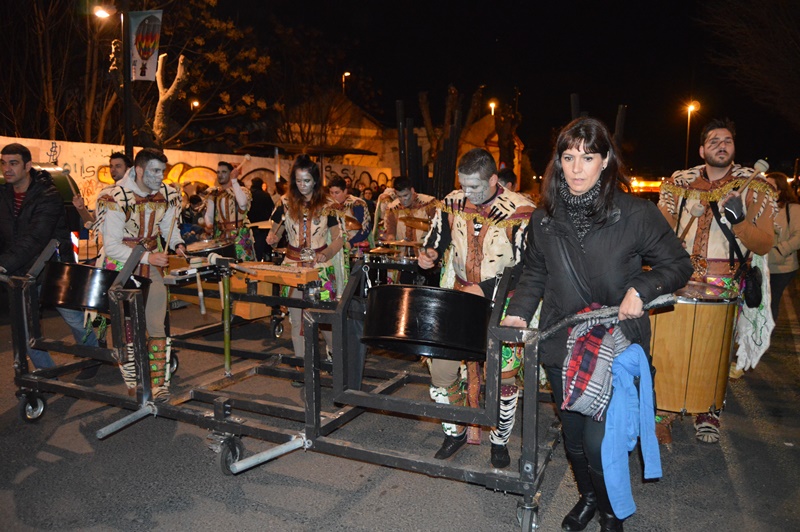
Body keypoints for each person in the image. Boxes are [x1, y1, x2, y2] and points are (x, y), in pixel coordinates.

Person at [501, 118, 692, 531]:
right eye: (568, 157)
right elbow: (534, 271)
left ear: (605, 161)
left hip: (615, 344)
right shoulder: (544, 218)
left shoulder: (636, 213)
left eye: (587, 157)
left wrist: (642, 288)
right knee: (572, 440)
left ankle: (609, 512)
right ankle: (588, 497)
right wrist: (518, 310)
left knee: (598, 442)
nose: (576, 168)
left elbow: (677, 264)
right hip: (561, 342)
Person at [658, 118, 776, 443]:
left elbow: (764, 243)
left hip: (725, 281)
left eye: (727, 140)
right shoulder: (680, 183)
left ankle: (708, 409)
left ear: (734, 147)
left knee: (714, 348)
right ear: (701, 149)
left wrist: (739, 222)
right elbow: (661, 229)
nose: (721, 145)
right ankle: (664, 411)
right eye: (714, 141)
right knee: (672, 344)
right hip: (681, 276)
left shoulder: (754, 186)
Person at [417, 148, 536, 468]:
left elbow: (529, 267)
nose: (466, 193)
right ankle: (453, 430)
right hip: (456, 296)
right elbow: (436, 239)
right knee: (440, 371)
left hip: (503, 303)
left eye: (475, 187)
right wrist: (427, 254)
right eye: (463, 185)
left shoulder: (521, 210)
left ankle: (500, 440)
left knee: (505, 377)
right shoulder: (452, 202)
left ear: (494, 179)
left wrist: (483, 289)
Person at [0, 142, 100, 373]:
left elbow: (36, 237)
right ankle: (47, 374)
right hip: (20, 271)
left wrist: (4, 264)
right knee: (24, 329)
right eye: (4, 163)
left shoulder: (48, 195)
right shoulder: (4, 196)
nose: (7, 168)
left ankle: (93, 356)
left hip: (52, 267)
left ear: (27, 166)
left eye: (13, 163)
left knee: (74, 319)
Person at [95, 148, 186, 400]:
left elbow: (169, 227)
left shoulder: (167, 195)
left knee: (157, 324)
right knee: (125, 327)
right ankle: (134, 382)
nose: (161, 176)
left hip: (151, 267)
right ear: (139, 170)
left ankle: (158, 385)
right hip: (120, 268)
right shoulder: (115, 198)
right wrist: (148, 256)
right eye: (155, 171)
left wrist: (177, 243)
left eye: (163, 171)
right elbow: (111, 246)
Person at [266, 155, 346, 362]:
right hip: (292, 266)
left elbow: (339, 239)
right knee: (296, 317)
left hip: (320, 267)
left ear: (316, 181)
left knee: (323, 316)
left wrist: (325, 253)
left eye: (307, 181)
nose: (302, 185)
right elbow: (274, 236)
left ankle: (334, 354)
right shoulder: (284, 202)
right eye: (298, 180)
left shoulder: (328, 204)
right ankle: (302, 363)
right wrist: (272, 239)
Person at [765, 172, 799, 322]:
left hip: (781, 267)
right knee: (759, 301)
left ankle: (765, 338)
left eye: (770, 186)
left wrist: (779, 251)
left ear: (780, 190)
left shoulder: (793, 209)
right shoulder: (761, 206)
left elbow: (798, 237)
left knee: (771, 301)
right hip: (761, 264)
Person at [204, 161, 255, 261]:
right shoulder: (214, 194)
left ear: (231, 173)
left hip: (239, 235)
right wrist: (209, 225)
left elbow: (243, 204)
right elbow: (208, 215)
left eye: (224, 172)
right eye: (218, 172)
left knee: (243, 267)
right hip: (221, 237)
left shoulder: (241, 191)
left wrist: (234, 181)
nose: (220, 175)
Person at [72, 152, 132, 225]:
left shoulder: (136, 193)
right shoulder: (105, 193)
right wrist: (81, 208)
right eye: (111, 166)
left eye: (118, 166)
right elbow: (93, 223)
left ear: (128, 169)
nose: (113, 170)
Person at [380, 176, 437, 244]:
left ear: (412, 190)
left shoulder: (429, 204)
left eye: (405, 195)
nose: (403, 200)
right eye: (399, 196)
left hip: (424, 251)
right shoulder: (393, 208)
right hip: (402, 252)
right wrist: (390, 238)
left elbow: (437, 228)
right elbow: (391, 231)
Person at [328, 176, 371, 257]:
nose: (333, 196)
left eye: (337, 193)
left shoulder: (357, 203)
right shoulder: (328, 206)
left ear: (345, 191)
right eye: (331, 193)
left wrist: (350, 243)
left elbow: (366, 228)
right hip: (335, 250)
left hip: (356, 250)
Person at [248, 177, 275, 262]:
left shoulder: (249, 194)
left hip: (250, 224)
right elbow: (272, 208)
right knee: (262, 248)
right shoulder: (265, 195)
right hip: (263, 226)